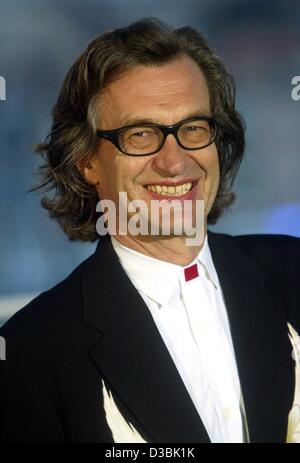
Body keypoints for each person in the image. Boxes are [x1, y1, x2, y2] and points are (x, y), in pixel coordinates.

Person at [0, 17, 299, 444]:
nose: (175, 162)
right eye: (141, 135)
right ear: (86, 161)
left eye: (193, 128)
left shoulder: (293, 270)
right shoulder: (33, 350)